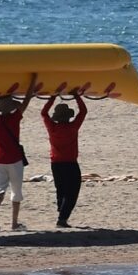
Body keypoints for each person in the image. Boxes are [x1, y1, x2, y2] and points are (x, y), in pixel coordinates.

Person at [0, 83, 36, 231]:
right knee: (16, 190)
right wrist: (31, 84)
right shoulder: (15, 118)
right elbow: (25, 103)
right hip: (14, 159)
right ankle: (14, 223)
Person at [41, 91, 88, 228]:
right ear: (68, 117)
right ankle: (62, 219)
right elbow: (83, 111)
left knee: (60, 189)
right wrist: (77, 96)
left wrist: (53, 97)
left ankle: (61, 212)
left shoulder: (52, 128)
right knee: (72, 191)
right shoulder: (72, 127)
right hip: (70, 163)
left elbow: (44, 113)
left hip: (55, 164)